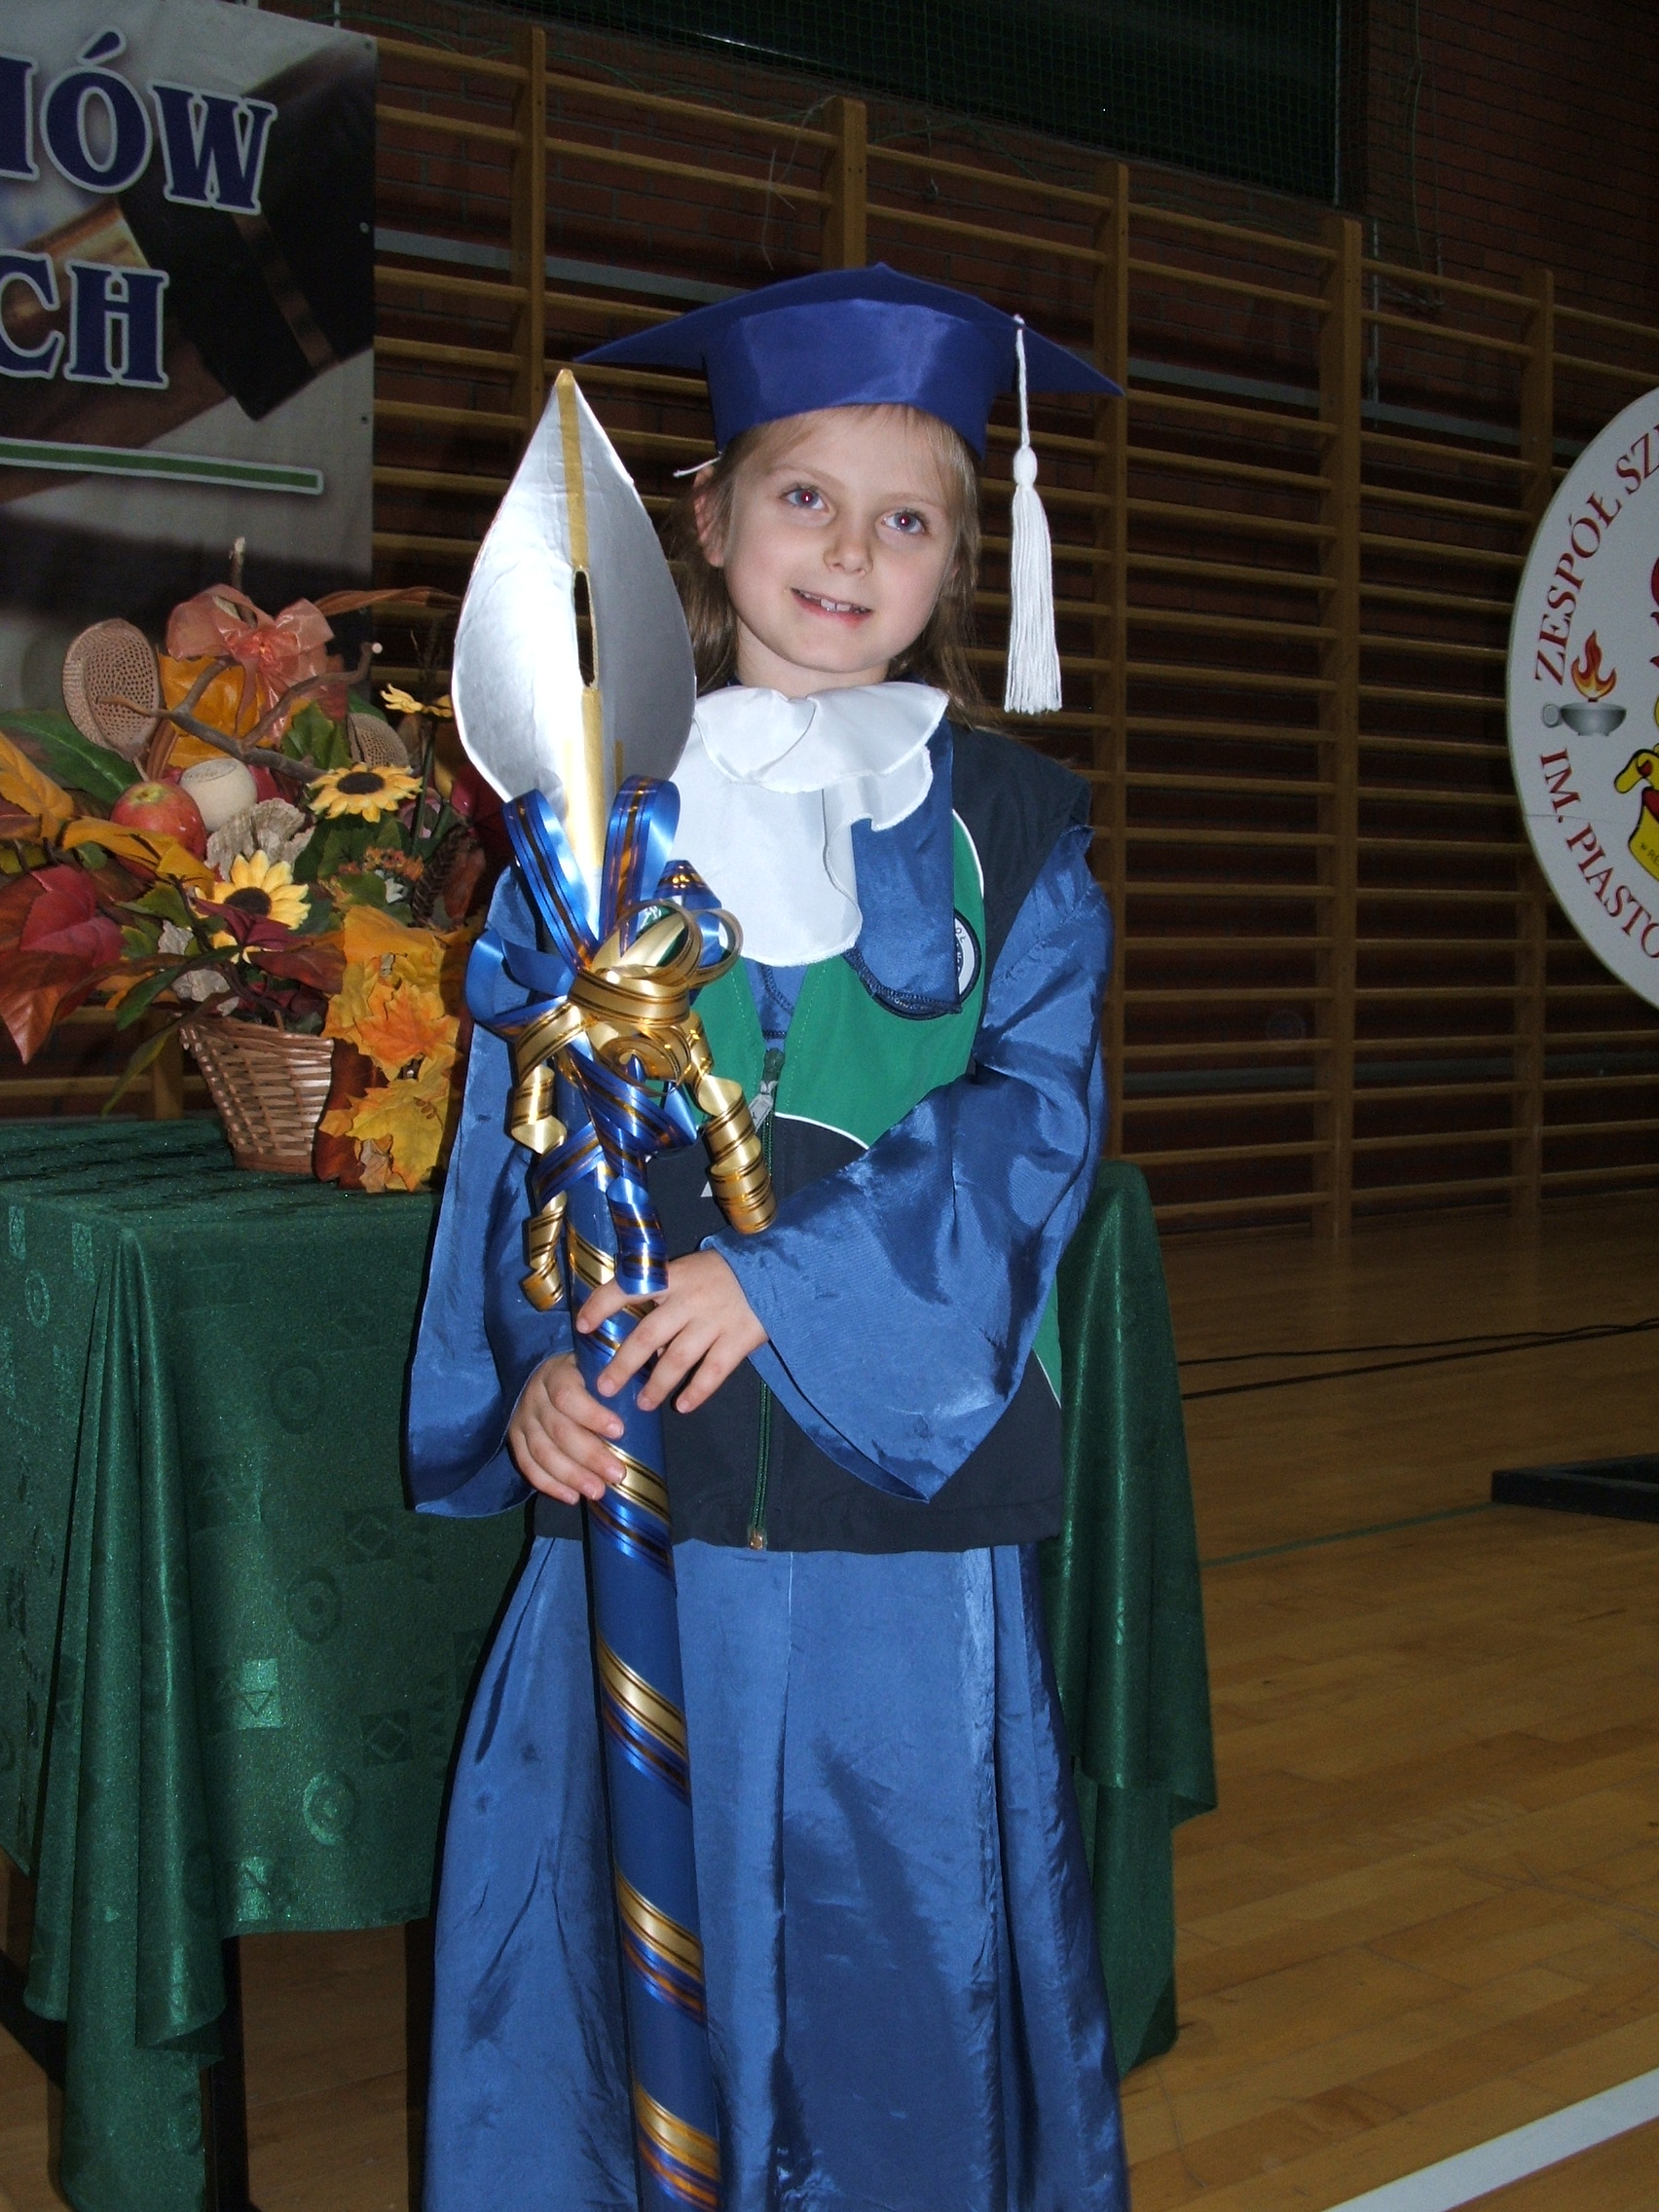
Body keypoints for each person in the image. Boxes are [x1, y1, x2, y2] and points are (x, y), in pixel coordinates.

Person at [408, 264, 1129, 2212]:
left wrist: (785, 1283)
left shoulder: (1018, 837)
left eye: (909, 521)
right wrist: (538, 1364)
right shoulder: (589, 830)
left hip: (899, 1541)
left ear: (960, 563)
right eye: (807, 497)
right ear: (711, 518)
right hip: (647, 1498)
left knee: (897, 1964)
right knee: (627, 1953)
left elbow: (1036, 1122)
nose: (852, 554)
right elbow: (517, 1140)